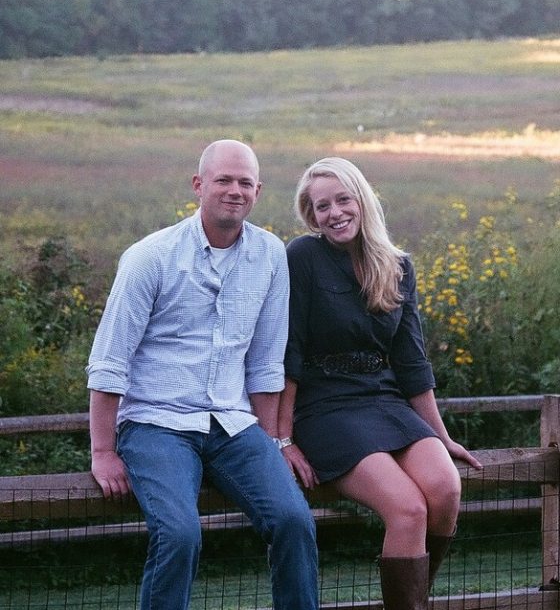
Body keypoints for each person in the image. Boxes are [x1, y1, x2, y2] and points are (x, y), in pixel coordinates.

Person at [86, 139, 319, 610]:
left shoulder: (271, 256)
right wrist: (103, 450)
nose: (235, 190)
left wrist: (273, 442)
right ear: (198, 185)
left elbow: (265, 362)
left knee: (294, 520)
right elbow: (110, 358)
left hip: (233, 425)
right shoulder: (150, 257)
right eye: (223, 180)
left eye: (245, 183)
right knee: (180, 532)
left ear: (258, 191)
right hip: (157, 423)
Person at [277, 156, 482, 610]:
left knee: (445, 490)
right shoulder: (303, 258)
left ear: (362, 200)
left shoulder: (398, 266)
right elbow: (287, 354)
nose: (334, 213)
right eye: (321, 206)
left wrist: (440, 436)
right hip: (325, 407)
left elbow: (412, 363)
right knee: (408, 510)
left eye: (342, 200)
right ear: (312, 216)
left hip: (386, 401)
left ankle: (410, 602)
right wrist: (283, 438)